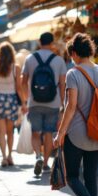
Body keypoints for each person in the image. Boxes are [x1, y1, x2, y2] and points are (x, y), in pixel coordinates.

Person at [54, 33, 98, 196]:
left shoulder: (73, 74)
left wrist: (60, 132)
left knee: (72, 176)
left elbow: (71, 105)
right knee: (91, 176)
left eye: (71, 55)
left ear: (75, 53)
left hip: (77, 133)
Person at [22, 32, 67, 177]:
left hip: (34, 102)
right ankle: (46, 163)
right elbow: (62, 84)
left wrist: (25, 99)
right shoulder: (59, 60)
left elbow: (23, 81)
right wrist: (63, 104)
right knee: (48, 133)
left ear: (40, 42)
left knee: (35, 132)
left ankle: (38, 156)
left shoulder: (30, 58)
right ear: (52, 43)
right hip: (53, 103)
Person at [0, 42, 25, 167]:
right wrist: (23, 103)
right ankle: (10, 155)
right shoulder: (16, 68)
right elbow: (19, 88)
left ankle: (3, 157)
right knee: (10, 131)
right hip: (12, 100)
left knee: (1, 132)